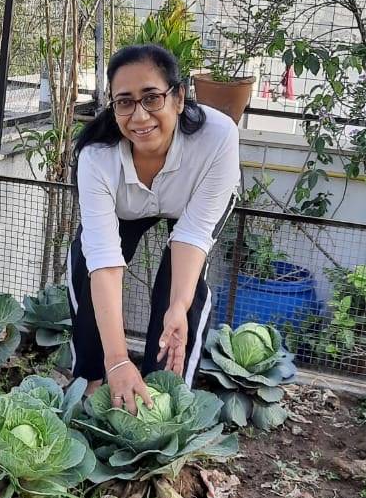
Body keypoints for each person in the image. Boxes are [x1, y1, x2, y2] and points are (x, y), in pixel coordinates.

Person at [68, 44, 240, 414]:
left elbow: (193, 234)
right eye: (125, 102)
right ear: (112, 107)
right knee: (86, 267)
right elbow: (105, 261)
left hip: (189, 204)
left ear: (178, 97)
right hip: (125, 207)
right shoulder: (96, 157)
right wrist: (116, 359)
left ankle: (163, 398)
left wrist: (178, 305)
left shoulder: (217, 137)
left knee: (181, 293)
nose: (139, 115)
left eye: (152, 98)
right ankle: (93, 379)